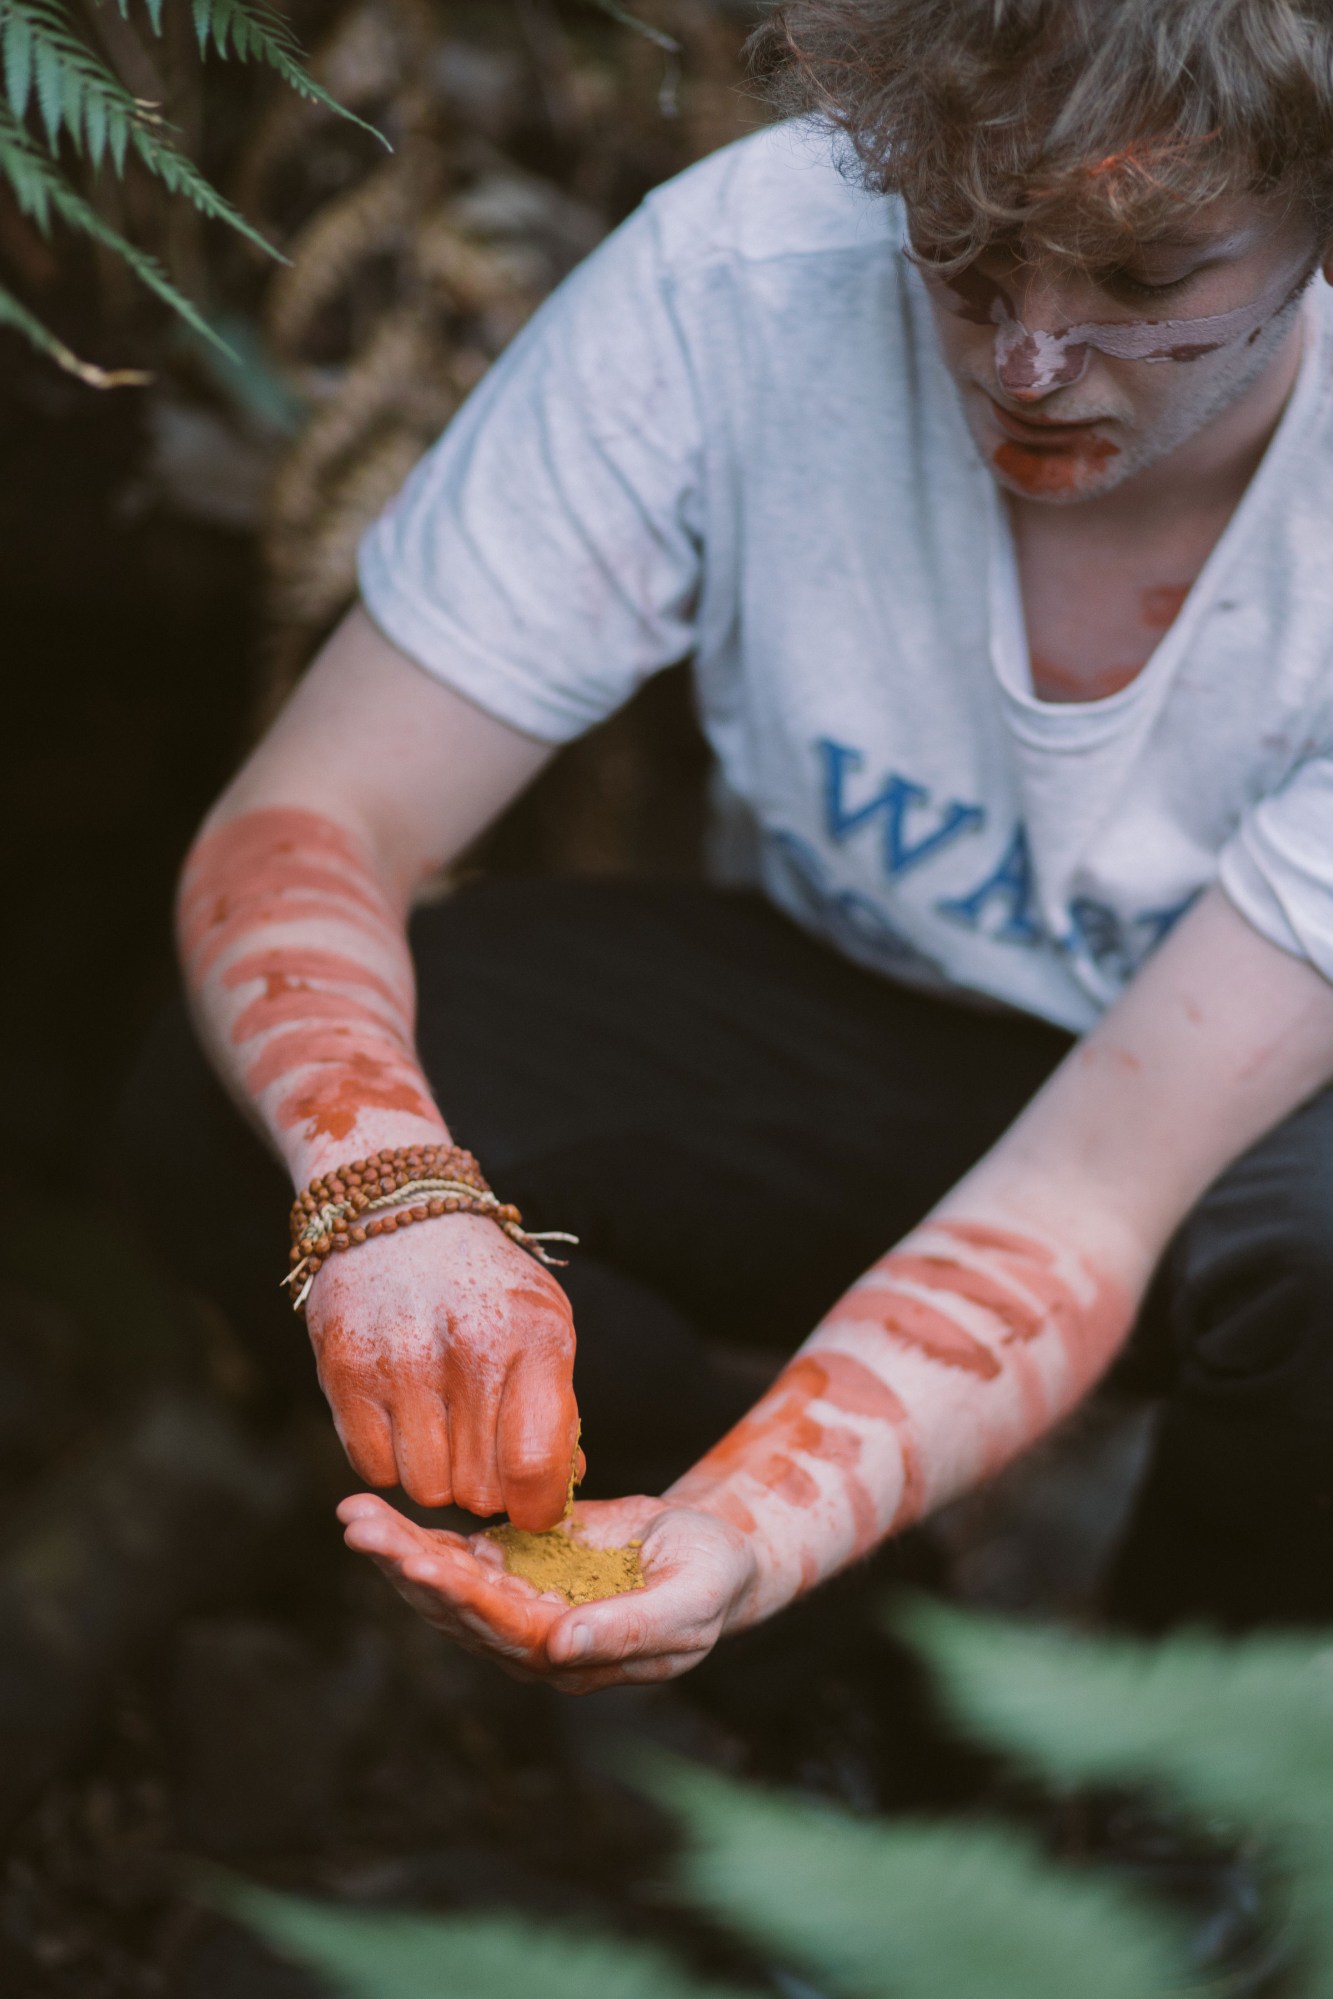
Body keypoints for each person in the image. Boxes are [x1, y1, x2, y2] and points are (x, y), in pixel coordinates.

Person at [174, 0, 1333, 1693]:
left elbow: (1086, 1196)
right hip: (879, 1010)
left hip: (1256, 1125)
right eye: (962, 252)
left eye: (1145, 283)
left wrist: (763, 1519)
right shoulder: (748, 271)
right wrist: (382, 1197)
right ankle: (865, 1720)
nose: (1025, 361)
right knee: (233, 1115)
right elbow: (314, 815)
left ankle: (1210, 1795)